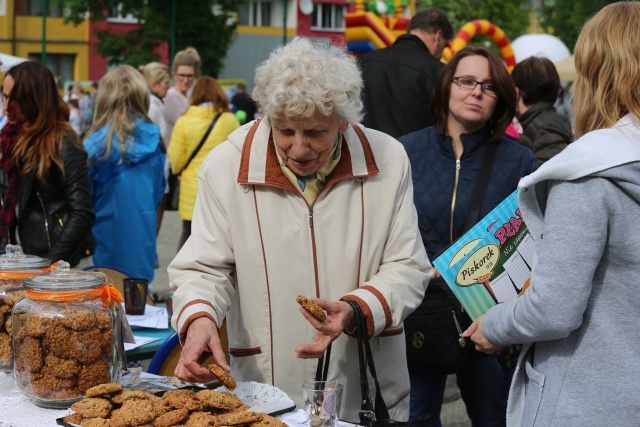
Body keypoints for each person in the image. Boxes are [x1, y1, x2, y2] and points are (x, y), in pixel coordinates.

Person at [168, 37, 432, 422]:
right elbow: (204, 268)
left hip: (363, 386)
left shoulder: (389, 159)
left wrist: (356, 309)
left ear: (344, 121)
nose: (298, 147)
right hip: (263, 389)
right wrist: (200, 318)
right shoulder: (225, 165)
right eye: (284, 129)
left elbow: (409, 265)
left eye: (314, 132)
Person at [465, 3, 640, 426]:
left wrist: (494, 325)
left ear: (596, 74)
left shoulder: (587, 171)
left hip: (587, 399)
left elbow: (553, 309)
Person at [398, 46, 538, 426]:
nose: (476, 92)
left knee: (495, 418)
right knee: (416, 418)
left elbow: (531, 242)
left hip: (487, 316)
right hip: (420, 313)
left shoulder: (520, 162)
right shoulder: (406, 152)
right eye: (466, 81)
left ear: (501, 100)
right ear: (447, 86)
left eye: (489, 87)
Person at [0, 61, 94, 265]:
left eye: (14, 99)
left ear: (34, 99)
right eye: (4, 96)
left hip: (55, 260)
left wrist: (50, 264)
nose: (6, 106)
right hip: (16, 260)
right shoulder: (8, 138)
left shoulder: (62, 140)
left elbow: (82, 212)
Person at [84, 65, 165, 282]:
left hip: (103, 253)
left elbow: (82, 205)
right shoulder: (156, 143)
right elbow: (157, 195)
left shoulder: (94, 147)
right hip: (142, 250)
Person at [167, 77, 239, 251]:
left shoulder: (184, 121)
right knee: (222, 237)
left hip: (193, 186)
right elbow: (239, 153)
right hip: (223, 186)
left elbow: (175, 159)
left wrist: (179, 170)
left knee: (189, 232)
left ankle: (184, 275)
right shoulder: (229, 119)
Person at [359, 8, 454, 138]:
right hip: (413, 156)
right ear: (438, 36)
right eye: (445, 46)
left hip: (364, 154)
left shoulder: (363, 62)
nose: (441, 55)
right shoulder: (439, 72)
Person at [511, 56, 573, 165]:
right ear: (557, 91)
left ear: (516, 92)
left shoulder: (546, 127)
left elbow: (550, 174)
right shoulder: (549, 121)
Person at [164, 47, 201, 145]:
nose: (185, 80)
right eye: (182, 75)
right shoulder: (171, 96)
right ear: (174, 75)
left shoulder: (189, 95)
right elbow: (189, 128)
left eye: (189, 76)